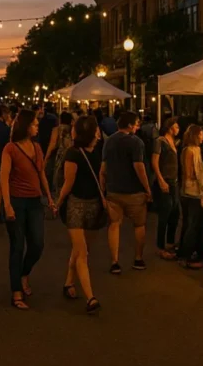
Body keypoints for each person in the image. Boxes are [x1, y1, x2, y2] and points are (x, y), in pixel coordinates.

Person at [0, 110, 56, 310]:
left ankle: (24, 273)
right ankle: (16, 291)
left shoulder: (37, 148)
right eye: (34, 124)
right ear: (25, 126)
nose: (37, 127)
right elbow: (4, 177)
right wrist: (7, 205)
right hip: (16, 201)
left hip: (34, 202)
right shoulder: (10, 148)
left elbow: (41, 175)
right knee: (17, 246)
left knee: (38, 244)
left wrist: (49, 198)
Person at [56, 115, 104, 314]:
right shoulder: (96, 151)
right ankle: (90, 297)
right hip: (89, 204)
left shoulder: (73, 153)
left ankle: (69, 282)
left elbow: (68, 183)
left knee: (80, 250)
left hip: (79, 204)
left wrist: (57, 202)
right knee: (82, 251)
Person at [100, 112, 151, 274]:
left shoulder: (109, 142)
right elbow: (139, 167)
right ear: (130, 125)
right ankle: (138, 258)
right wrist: (147, 188)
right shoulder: (136, 142)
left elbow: (103, 169)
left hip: (113, 190)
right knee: (139, 225)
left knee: (114, 225)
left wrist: (103, 189)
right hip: (134, 191)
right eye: (136, 123)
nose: (138, 126)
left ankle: (115, 261)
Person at [178, 124, 203, 269]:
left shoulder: (193, 150)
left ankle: (186, 252)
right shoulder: (190, 151)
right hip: (192, 192)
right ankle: (187, 254)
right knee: (192, 224)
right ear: (196, 135)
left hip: (189, 192)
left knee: (190, 223)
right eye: (201, 134)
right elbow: (189, 173)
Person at [152, 117, 181, 260]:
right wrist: (161, 180)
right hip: (165, 180)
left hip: (174, 181)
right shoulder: (160, 142)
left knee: (175, 212)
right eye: (176, 127)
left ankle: (170, 242)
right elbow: (155, 162)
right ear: (170, 128)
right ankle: (160, 246)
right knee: (165, 212)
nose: (178, 129)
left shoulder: (174, 143)